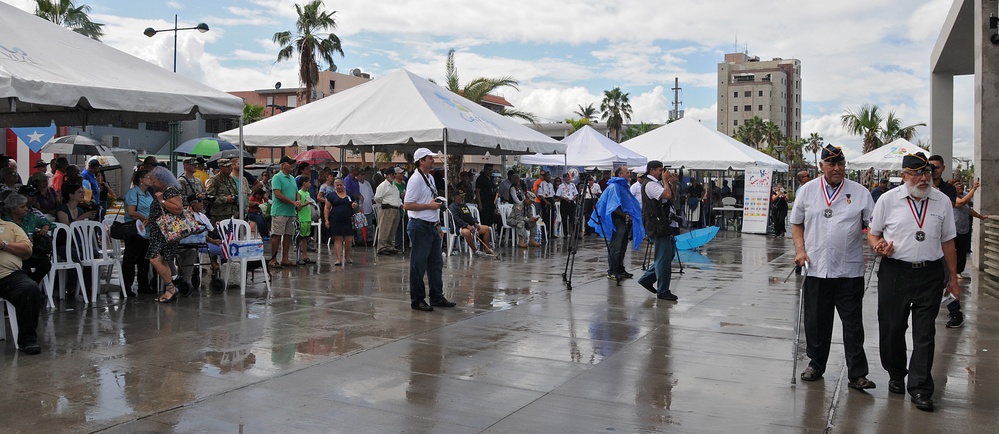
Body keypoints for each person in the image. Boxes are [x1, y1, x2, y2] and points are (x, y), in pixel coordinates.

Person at [867, 151, 959, 412]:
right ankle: (896, 373)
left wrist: (953, 278)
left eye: (927, 173)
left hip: (929, 274)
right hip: (895, 273)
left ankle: (920, 388)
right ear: (904, 176)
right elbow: (873, 235)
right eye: (917, 173)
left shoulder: (941, 201)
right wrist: (879, 246)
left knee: (925, 333)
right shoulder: (888, 200)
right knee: (892, 328)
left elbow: (948, 241)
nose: (923, 178)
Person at [790, 144, 876, 390]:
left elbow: (872, 226)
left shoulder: (860, 193)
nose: (837, 168)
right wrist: (799, 250)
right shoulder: (807, 191)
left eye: (841, 164)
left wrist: (877, 242)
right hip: (816, 267)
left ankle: (857, 374)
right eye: (832, 164)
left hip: (849, 270)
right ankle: (816, 364)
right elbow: (796, 224)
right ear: (821, 166)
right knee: (817, 322)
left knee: (852, 324)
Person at [403, 148, 456, 312]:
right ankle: (417, 300)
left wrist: (438, 223)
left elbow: (431, 201)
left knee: (435, 264)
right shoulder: (415, 180)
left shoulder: (429, 177)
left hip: (431, 225)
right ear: (421, 161)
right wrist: (429, 206)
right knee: (418, 265)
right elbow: (407, 205)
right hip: (419, 225)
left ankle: (436, 296)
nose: (433, 160)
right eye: (429, 158)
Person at [928, 154, 965, 328]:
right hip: (924, 241)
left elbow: (947, 207)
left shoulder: (947, 189)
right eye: (930, 167)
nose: (933, 170)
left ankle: (956, 312)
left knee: (946, 276)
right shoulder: (921, 185)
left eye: (936, 167)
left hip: (942, 240)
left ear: (943, 168)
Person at [590, 165, 644, 280]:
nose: (629, 174)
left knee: (623, 245)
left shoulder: (623, 187)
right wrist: (625, 215)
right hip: (616, 219)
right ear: (620, 175)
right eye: (627, 172)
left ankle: (620, 269)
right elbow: (613, 206)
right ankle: (612, 270)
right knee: (616, 245)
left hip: (622, 219)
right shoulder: (615, 187)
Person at [638, 160, 679, 301]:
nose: (663, 172)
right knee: (663, 259)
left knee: (669, 254)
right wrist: (665, 181)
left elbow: (672, 198)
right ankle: (663, 290)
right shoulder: (650, 184)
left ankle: (647, 278)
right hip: (657, 225)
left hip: (663, 224)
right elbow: (666, 195)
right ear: (652, 171)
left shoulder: (658, 183)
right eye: (660, 170)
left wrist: (672, 183)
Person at [0, 217, 43, 355]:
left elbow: (27, 250)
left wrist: (4, 245)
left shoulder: (10, 227)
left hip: (9, 275)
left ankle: (27, 340)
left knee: (30, 288)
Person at [145, 166, 185, 303]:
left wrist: (162, 200)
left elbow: (178, 209)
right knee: (161, 260)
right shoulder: (164, 191)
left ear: (161, 179)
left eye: (154, 180)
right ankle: (170, 289)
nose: (152, 184)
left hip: (164, 234)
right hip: (159, 233)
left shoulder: (170, 191)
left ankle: (171, 288)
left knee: (155, 259)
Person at [2, 193, 52, 283]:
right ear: (13, 209)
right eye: (22, 207)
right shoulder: (5, 222)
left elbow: (48, 222)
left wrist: (46, 226)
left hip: (32, 253)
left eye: (26, 206)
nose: (26, 208)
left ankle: (33, 285)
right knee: (24, 269)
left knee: (45, 264)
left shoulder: (31, 217)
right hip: (16, 254)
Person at [176, 194, 220, 292]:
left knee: (224, 247)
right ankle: (217, 268)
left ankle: (185, 280)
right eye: (200, 201)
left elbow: (209, 231)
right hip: (189, 241)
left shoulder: (203, 216)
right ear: (192, 203)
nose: (202, 204)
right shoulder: (186, 214)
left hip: (201, 240)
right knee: (221, 250)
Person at [949, 178, 989, 280]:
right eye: (957, 185)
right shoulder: (952, 198)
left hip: (964, 228)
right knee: (952, 252)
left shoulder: (964, 196)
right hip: (953, 229)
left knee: (962, 251)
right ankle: (951, 271)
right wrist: (973, 189)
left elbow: (969, 210)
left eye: (960, 184)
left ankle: (959, 271)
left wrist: (980, 217)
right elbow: (961, 203)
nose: (960, 186)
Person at [122, 170, 153, 294]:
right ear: (141, 179)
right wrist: (144, 218)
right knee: (130, 259)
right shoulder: (133, 193)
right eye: (148, 177)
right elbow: (131, 212)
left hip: (147, 231)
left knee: (143, 260)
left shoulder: (148, 194)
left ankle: (143, 285)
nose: (150, 179)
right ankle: (126, 287)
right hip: (135, 231)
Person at [269, 156, 301, 268]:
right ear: (283, 165)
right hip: (280, 211)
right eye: (289, 163)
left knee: (288, 236)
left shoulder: (292, 178)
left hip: (290, 212)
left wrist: (297, 200)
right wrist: (292, 202)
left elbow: (296, 191)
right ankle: (273, 260)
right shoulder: (277, 177)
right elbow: (278, 194)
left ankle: (285, 258)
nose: (291, 165)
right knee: (277, 235)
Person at [447, 189, 492, 256]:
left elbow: (470, 216)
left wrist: (475, 223)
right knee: (467, 233)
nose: (462, 198)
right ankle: (475, 251)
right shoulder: (452, 207)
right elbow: (457, 219)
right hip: (459, 227)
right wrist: (467, 225)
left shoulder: (464, 205)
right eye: (461, 196)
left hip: (470, 225)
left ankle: (486, 249)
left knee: (486, 229)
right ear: (456, 197)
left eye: (463, 196)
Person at [324, 178, 357, 266]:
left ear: (343, 185)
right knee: (338, 239)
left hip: (348, 220)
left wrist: (354, 205)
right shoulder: (331, 195)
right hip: (335, 220)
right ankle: (338, 259)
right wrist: (326, 220)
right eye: (337, 185)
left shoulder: (349, 194)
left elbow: (354, 204)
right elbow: (327, 208)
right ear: (334, 186)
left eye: (340, 185)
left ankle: (347, 256)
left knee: (348, 239)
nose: (339, 187)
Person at [374, 167, 404, 255]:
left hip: (396, 208)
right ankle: (382, 246)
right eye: (392, 174)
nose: (393, 176)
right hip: (387, 209)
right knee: (385, 228)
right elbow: (377, 198)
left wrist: (400, 204)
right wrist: (384, 204)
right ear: (387, 176)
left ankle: (389, 245)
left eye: (394, 174)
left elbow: (397, 197)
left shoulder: (394, 186)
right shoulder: (383, 186)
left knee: (392, 229)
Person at [296, 176, 316, 265]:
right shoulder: (299, 193)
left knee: (305, 238)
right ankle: (299, 256)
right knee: (301, 238)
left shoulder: (307, 193)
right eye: (309, 182)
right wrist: (305, 204)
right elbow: (298, 207)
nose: (310, 184)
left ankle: (305, 256)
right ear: (304, 183)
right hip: (302, 218)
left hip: (307, 218)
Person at [556, 173, 578, 238]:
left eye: (569, 177)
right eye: (566, 178)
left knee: (572, 218)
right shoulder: (561, 186)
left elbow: (576, 194)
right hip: (564, 203)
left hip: (571, 202)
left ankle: (574, 233)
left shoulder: (573, 185)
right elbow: (558, 195)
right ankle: (565, 233)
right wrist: (564, 198)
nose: (568, 179)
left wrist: (574, 197)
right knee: (564, 218)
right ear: (564, 179)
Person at [534, 171, 556, 238]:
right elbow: (540, 195)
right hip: (545, 200)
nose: (549, 177)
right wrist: (546, 202)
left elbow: (552, 194)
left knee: (552, 217)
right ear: (545, 177)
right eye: (548, 176)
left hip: (550, 200)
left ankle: (551, 233)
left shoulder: (551, 184)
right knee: (545, 217)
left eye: (550, 176)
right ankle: (544, 233)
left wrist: (553, 201)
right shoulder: (542, 184)